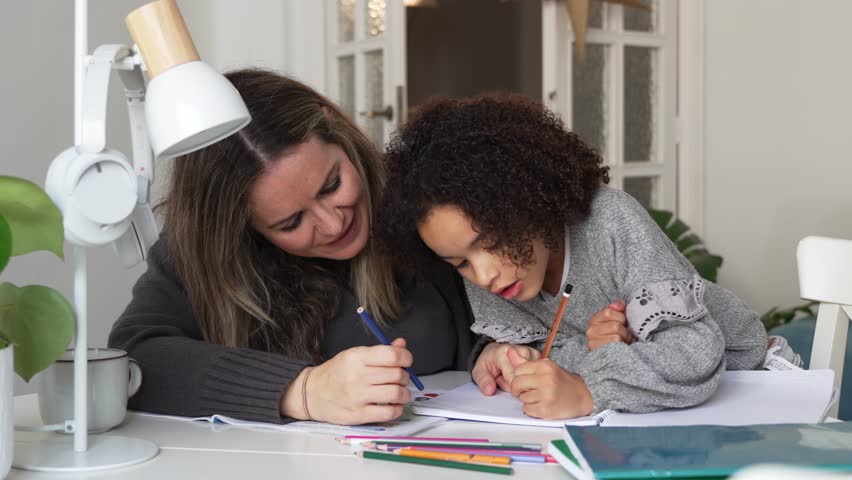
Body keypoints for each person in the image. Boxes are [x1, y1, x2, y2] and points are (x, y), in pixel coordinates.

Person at [108, 69, 476, 426]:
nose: (334, 224)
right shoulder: (198, 251)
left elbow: (509, 310)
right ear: (243, 230)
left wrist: (493, 354)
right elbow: (134, 360)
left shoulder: (424, 199)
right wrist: (302, 391)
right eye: (291, 223)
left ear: (335, 130)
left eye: (331, 185)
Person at [373, 93, 770, 420]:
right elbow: (554, 353)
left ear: (530, 199)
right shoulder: (494, 278)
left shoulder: (614, 222)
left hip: (752, 387)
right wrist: (507, 356)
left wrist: (587, 389)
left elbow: (695, 351)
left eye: (491, 239)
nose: (483, 274)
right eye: (459, 263)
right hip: (653, 414)